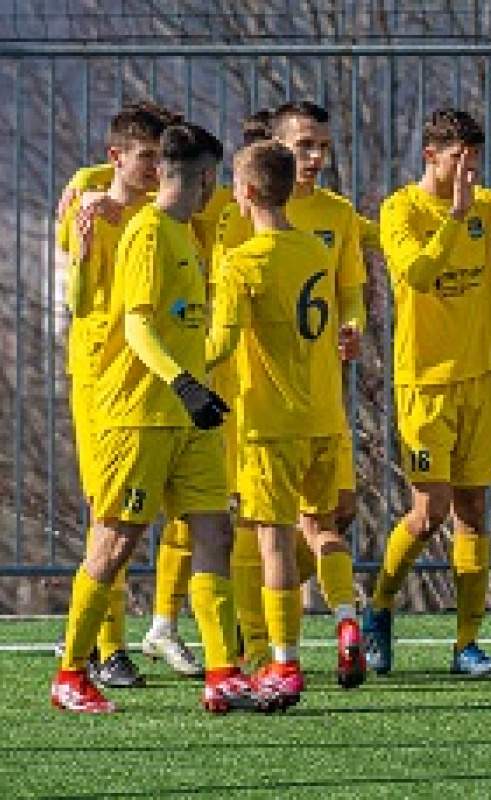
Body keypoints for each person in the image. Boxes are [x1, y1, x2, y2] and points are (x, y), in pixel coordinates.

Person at [51, 124, 260, 714]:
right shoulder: (146, 234)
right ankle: (71, 672)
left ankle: (222, 673)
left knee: (213, 532)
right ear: (202, 176)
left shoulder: (182, 234)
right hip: (140, 414)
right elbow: (138, 325)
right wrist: (185, 383)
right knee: (116, 541)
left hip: (188, 418)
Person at [363, 106, 491, 675]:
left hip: (478, 383)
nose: (468, 171)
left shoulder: (485, 207)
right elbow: (420, 275)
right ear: (431, 155)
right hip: (424, 385)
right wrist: (454, 221)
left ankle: (466, 644)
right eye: (459, 159)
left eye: (475, 161)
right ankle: (379, 607)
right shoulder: (400, 209)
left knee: (474, 513)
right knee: (428, 512)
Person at [213, 103, 372, 687]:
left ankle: (280, 656)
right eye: (305, 146)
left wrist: (181, 362)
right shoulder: (304, 243)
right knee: (302, 526)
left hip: (273, 412)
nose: (316, 158)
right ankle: (335, 620)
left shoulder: (327, 222)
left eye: (323, 147)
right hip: (318, 409)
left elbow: (224, 336)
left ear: (249, 188)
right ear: (279, 150)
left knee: (275, 534)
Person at [55, 101, 209, 678]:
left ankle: (164, 632)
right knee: (110, 513)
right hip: (104, 379)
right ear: (117, 156)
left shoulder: (166, 213)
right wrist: (94, 197)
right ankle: (104, 648)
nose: (153, 168)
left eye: (159, 158)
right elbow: (75, 288)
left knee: (189, 514)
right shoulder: (93, 205)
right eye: (144, 157)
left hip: (162, 381)